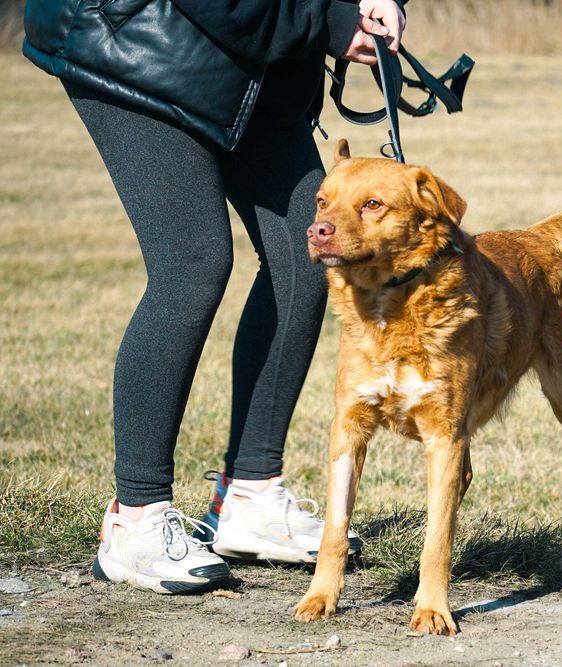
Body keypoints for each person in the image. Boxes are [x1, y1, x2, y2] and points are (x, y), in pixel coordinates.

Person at [22, 0, 406, 594]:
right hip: (138, 39)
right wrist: (331, 21)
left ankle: (249, 496)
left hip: (257, 61)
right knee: (193, 264)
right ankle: (135, 518)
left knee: (305, 256)